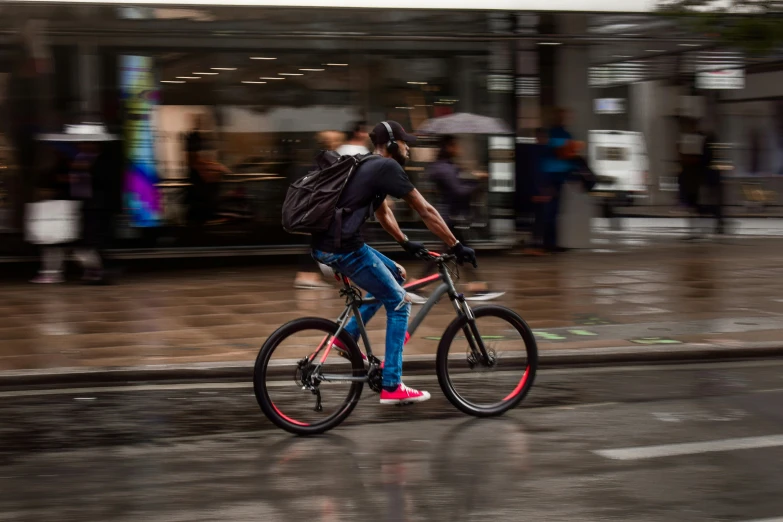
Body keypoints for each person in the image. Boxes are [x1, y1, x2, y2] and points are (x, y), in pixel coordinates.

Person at [311, 121, 476, 405]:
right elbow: (425, 210)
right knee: (400, 303)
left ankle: (344, 339)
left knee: (396, 274)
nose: (408, 148)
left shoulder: (367, 164)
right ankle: (392, 385)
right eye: (404, 143)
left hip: (329, 246)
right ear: (390, 145)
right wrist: (456, 244)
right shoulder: (387, 167)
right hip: (343, 249)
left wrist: (405, 242)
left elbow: (383, 212)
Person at [425, 134, 489, 291]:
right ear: (448, 147)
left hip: (448, 216)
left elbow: (458, 183)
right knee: (458, 250)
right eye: (456, 145)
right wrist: (477, 184)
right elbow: (459, 191)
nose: (459, 149)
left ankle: (475, 284)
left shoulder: (445, 166)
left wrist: (473, 177)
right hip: (449, 217)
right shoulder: (445, 168)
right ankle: (475, 284)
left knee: (450, 252)